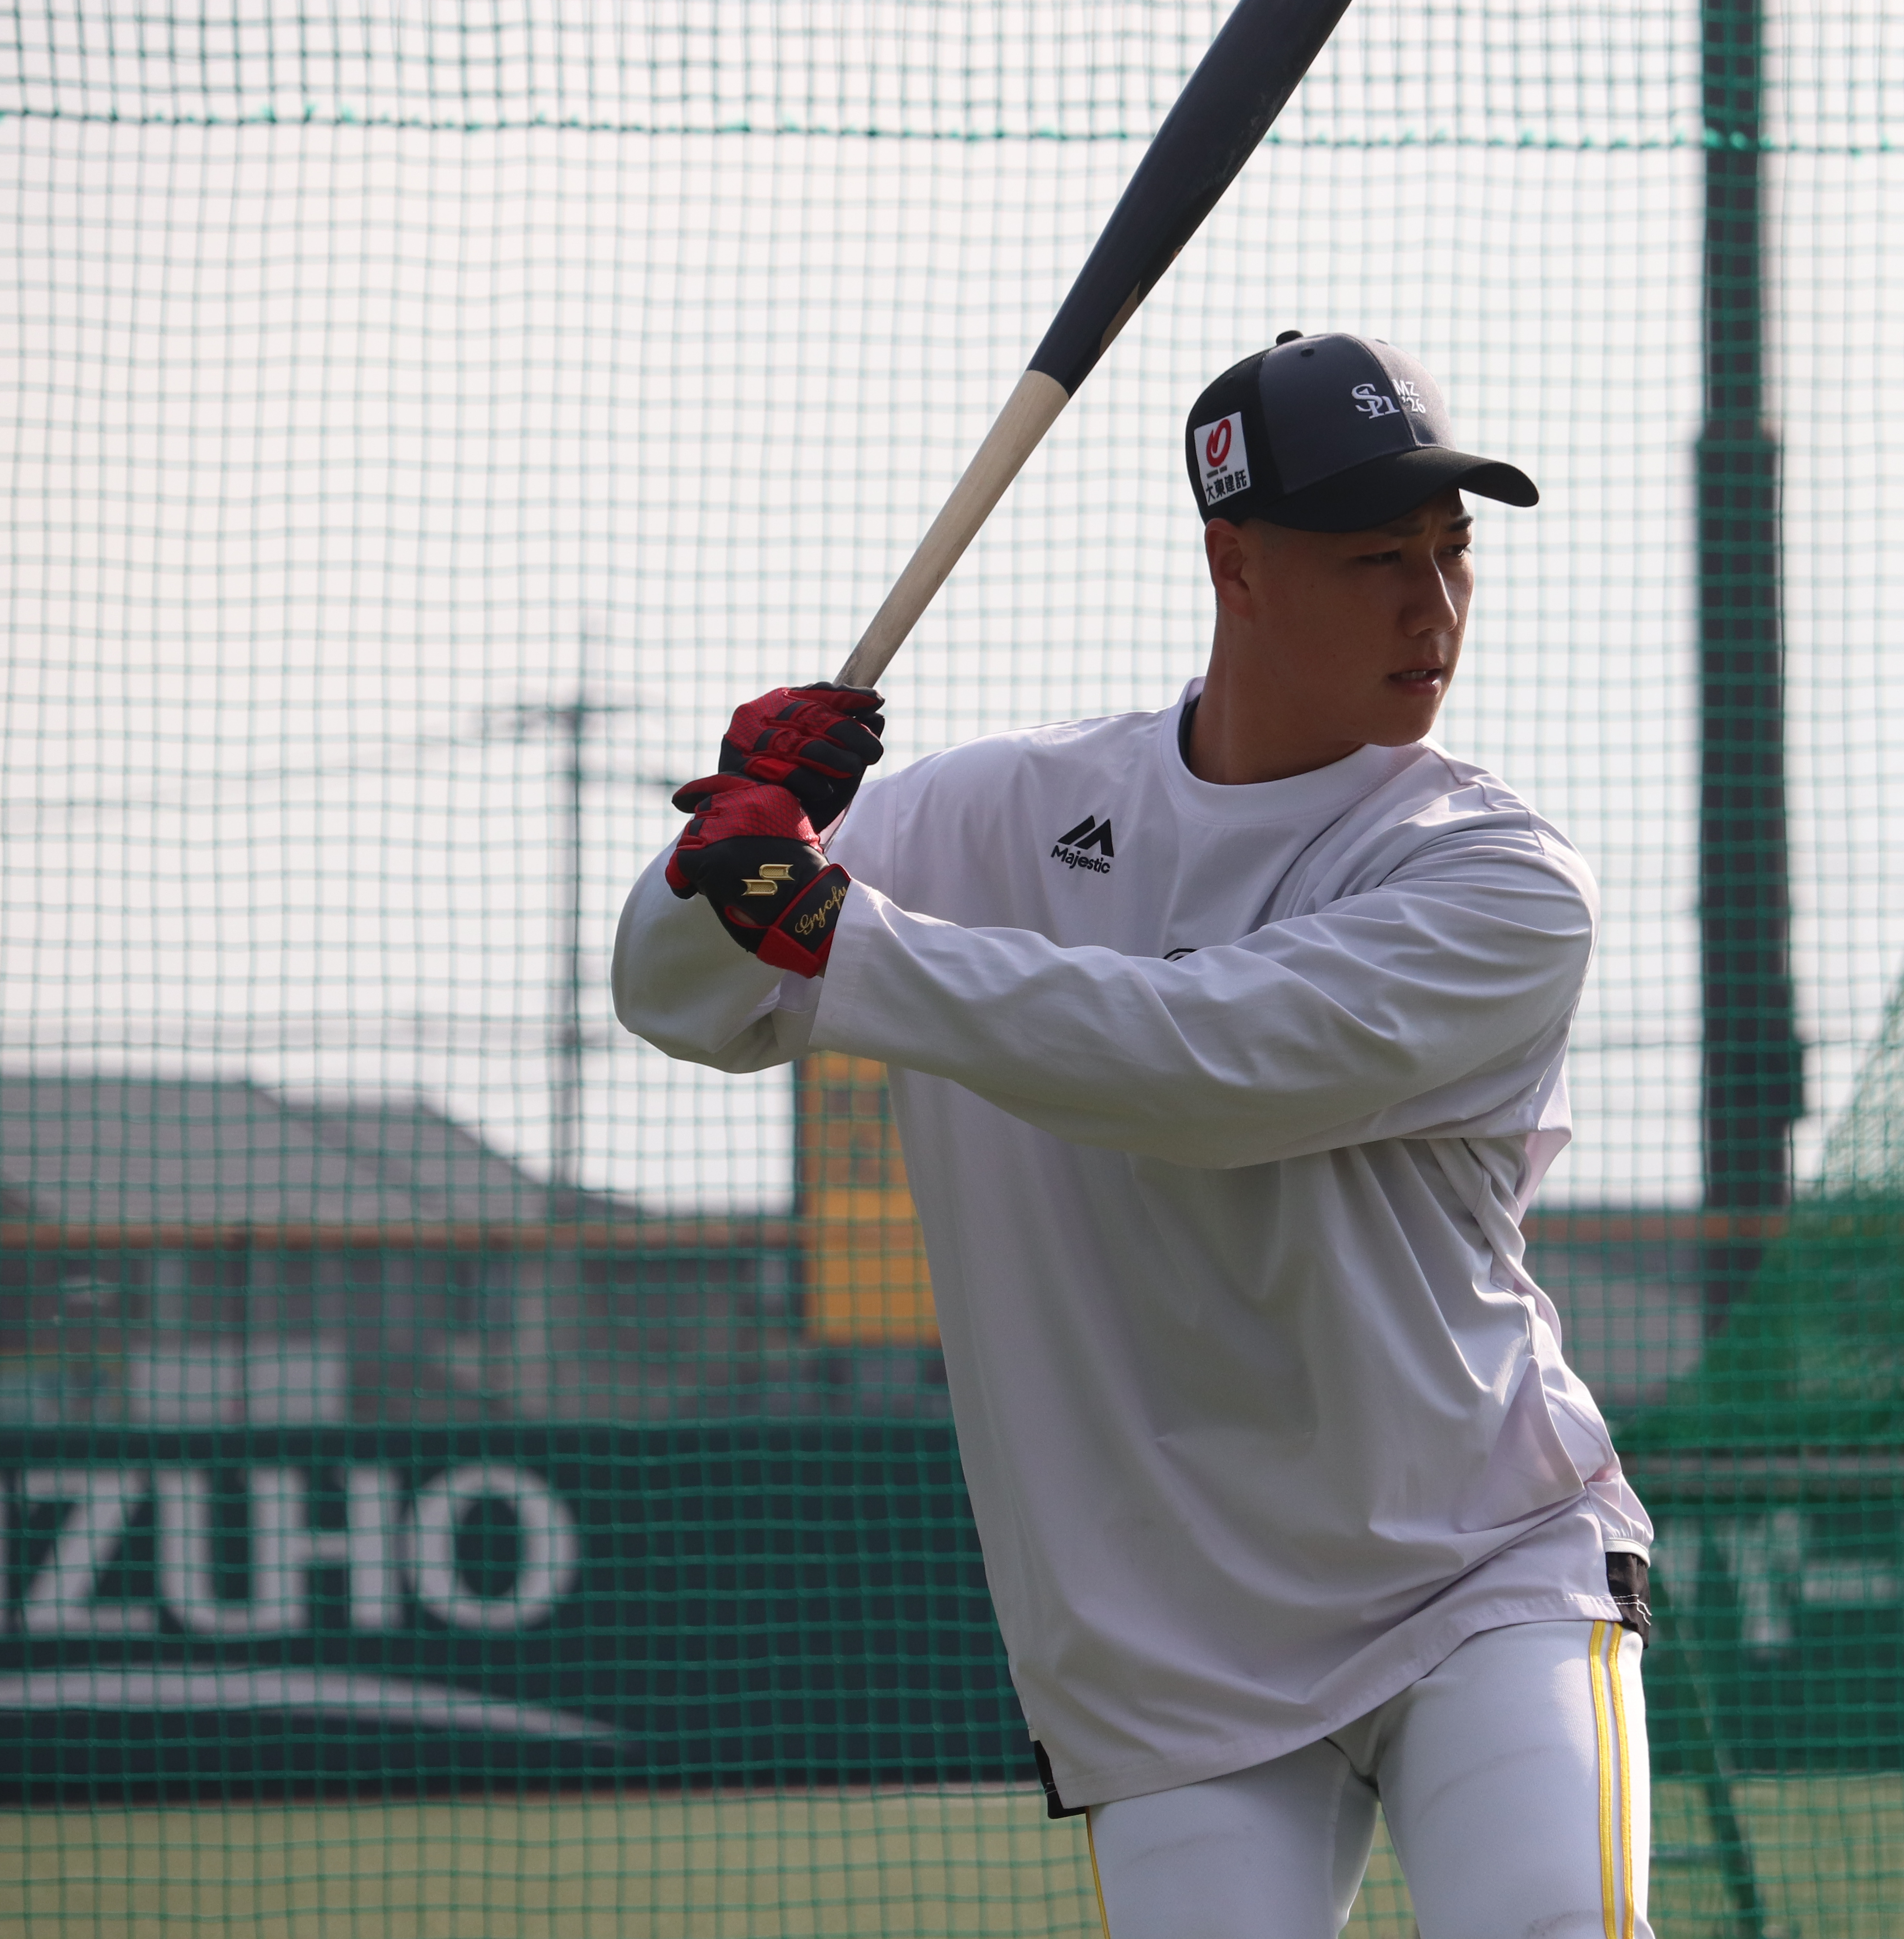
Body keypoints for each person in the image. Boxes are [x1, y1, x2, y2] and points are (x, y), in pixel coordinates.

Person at [614, 331, 1659, 1938]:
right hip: (1166, 1644)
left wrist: (819, 922)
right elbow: (674, 998)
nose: (1432, 608)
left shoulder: (1499, 880)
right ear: (1233, 567)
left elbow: (1199, 1071)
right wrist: (724, 849)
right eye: (1379, 558)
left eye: (1453, 556)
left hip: (1479, 1571)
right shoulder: (987, 816)